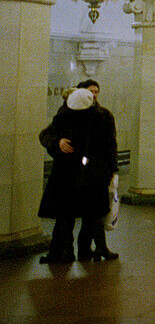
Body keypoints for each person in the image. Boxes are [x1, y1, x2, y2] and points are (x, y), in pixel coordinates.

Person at [38, 83, 119, 263]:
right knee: (69, 215)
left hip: (88, 173)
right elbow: (47, 134)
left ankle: (86, 249)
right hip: (71, 174)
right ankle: (66, 251)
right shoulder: (67, 115)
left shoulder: (101, 117)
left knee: (90, 214)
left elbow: (109, 146)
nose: (94, 95)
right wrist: (57, 143)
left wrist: (112, 169)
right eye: (92, 92)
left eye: (97, 91)